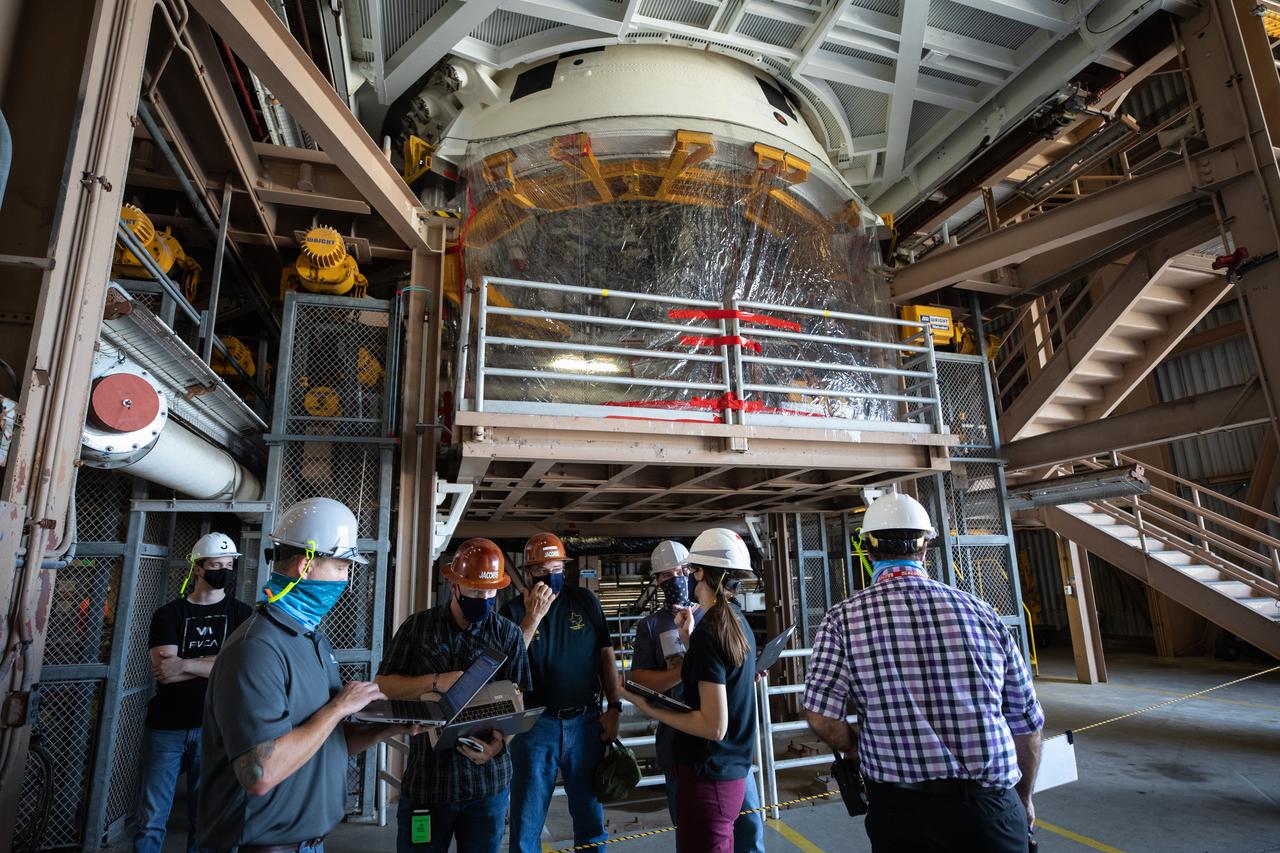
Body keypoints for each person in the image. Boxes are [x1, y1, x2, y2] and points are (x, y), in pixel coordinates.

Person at [802, 492, 1044, 853]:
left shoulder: (842, 620)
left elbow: (822, 717)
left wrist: (855, 748)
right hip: (990, 811)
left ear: (867, 549)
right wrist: (1021, 797)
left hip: (903, 815)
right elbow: (1026, 725)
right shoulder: (982, 613)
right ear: (925, 547)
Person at [197, 498, 413, 852]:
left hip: (307, 844)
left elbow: (325, 743)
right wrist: (339, 706)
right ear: (305, 565)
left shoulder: (311, 639)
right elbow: (259, 774)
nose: (347, 578)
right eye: (342, 565)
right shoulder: (255, 649)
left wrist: (387, 727)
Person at [376, 538, 532, 853]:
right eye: (476, 592)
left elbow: (518, 705)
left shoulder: (509, 635)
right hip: (429, 784)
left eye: (491, 593)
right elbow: (383, 685)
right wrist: (435, 681)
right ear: (454, 584)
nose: (485, 600)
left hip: (487, 786)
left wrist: (498, 745)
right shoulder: (417, 628)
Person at [621, 528, 758, 853]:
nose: (681, 579)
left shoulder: (709, 632)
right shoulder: (736, 621)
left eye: (687, 571)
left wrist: (648, 705)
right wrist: (688, 641)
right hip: (731, 767)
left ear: (698, 572)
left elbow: (713, 726)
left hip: (708, 772)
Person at [133, 533, 253, 853]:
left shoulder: (242, 614)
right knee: (151, 816)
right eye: (216, 566)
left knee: (205, 817)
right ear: (198, 569)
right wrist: (216, 662)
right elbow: (164, 672)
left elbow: (239, 668)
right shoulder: (169, 614)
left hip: (214, 728)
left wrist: (185, 663)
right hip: (166, 727)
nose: (224, 572)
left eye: (229, 566)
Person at [502, 532, 620, 853]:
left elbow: (606, 654)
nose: (551, 575)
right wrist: (533, 617)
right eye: (542, 570)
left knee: (589, 814)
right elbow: (506, 666)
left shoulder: (584, 602)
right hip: (535, 725)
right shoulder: (513, 613)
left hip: (585, 722)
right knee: (527, 815)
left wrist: (615, 707)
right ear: (529, 573)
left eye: (556, 567)